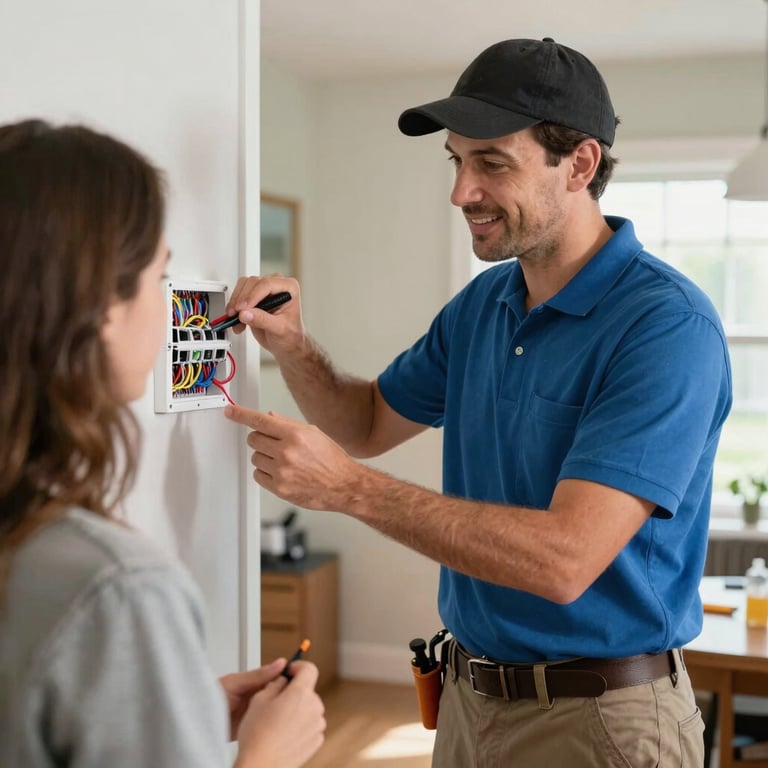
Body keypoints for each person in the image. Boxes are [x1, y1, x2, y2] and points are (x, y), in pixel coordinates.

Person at [224, 37, 732, 767]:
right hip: (467, 704)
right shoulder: (483, 306)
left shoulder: (666, 327)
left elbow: (565, 560)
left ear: (581, 165)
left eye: (491, 163)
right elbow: (365, 423)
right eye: (457, 162)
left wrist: (347, 491)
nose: (462, 191)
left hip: (604, 724)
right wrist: (294, 346)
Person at [0, 119, 325, 768]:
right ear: (103, 309)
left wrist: (177, 702)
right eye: (159, 277)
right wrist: (267, 755)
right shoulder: (117, 589)